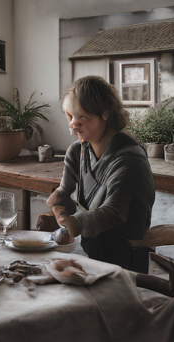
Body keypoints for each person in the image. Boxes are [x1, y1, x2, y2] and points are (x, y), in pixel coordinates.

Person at [47, 75, 155, 268]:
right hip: (88, 252)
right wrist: (59, 206)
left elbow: (112, 213)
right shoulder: (77, 151)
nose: (72, 125)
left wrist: (73, 222)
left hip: (126, 259)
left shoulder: (131, 161)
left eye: (82, 117)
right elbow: (64, 192)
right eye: (69, 117)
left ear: (105, 114)